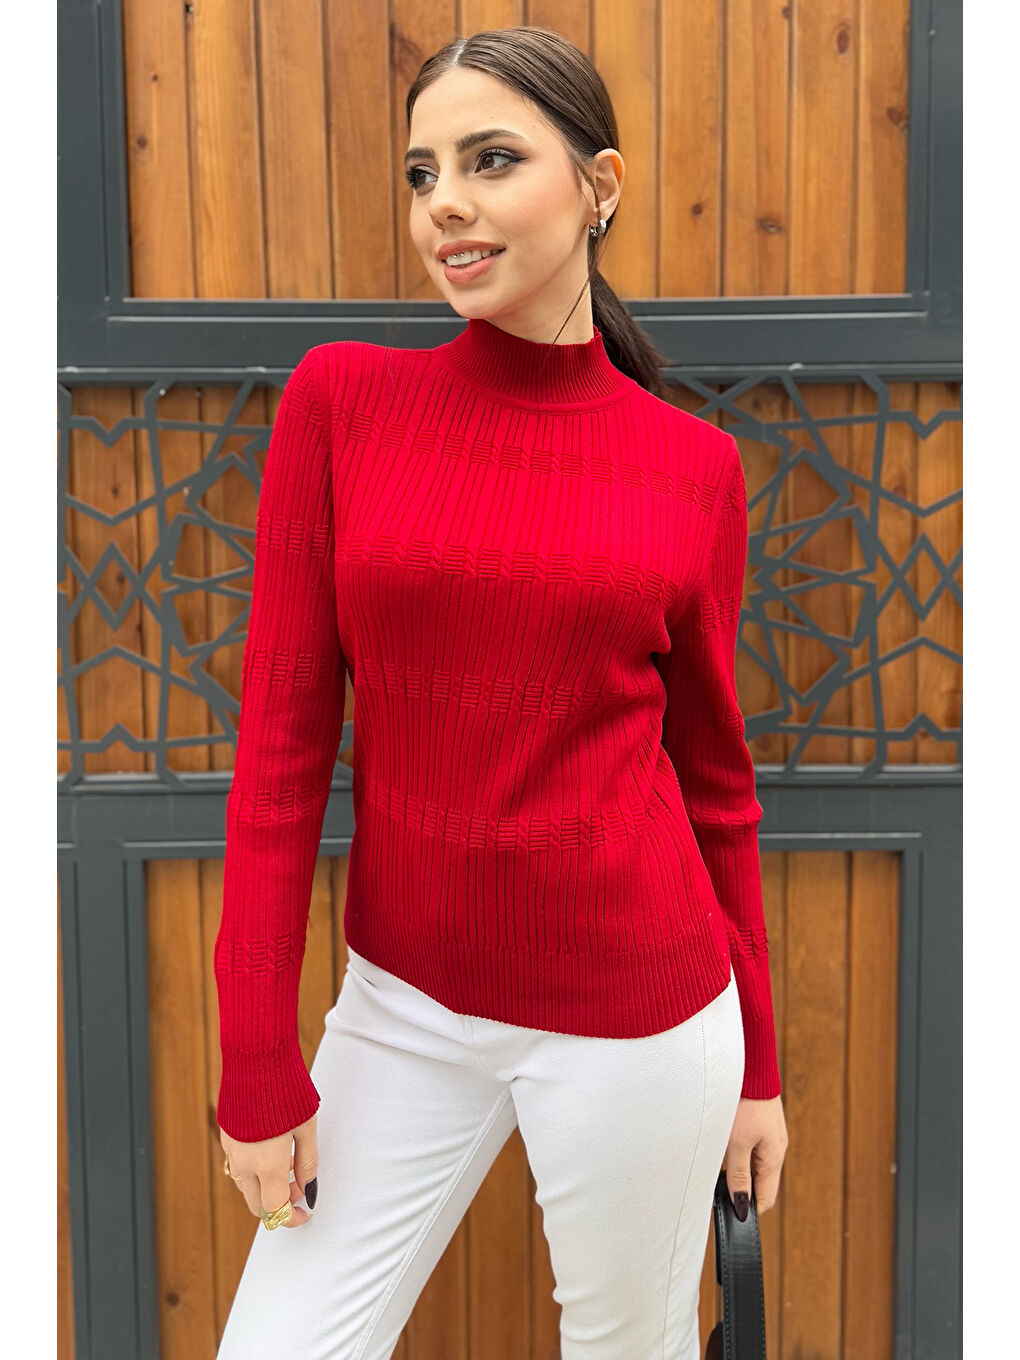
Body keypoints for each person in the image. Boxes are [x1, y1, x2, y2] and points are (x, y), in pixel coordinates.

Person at [214, 25, 788, 1360]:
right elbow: (281, 755)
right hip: (401, 1005)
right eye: (424, 173)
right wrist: (256, 1061)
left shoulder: (691, 468)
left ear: (600, 187)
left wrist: (757, 1065)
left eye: (490, 161)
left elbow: (716, 785)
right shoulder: (343, 404)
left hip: (641, 1016)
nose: (445, 204)